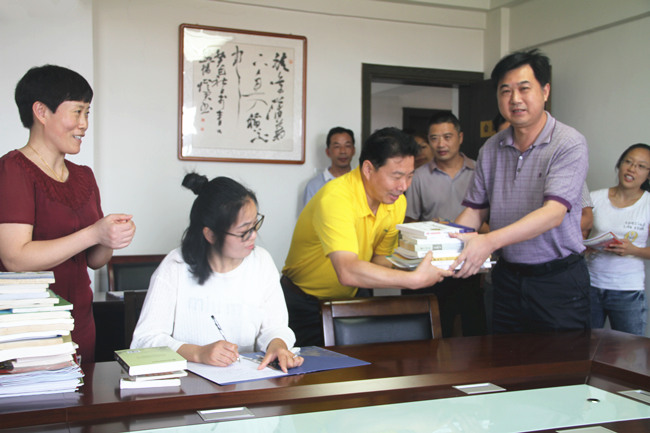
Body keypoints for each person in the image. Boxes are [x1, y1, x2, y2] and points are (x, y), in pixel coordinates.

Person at [0, 65, 136, 363]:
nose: (84, 124)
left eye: (87, 113)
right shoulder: (13, 169)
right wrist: (93, 232)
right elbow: (15, 258)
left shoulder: (83, 176)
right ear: (41, 111)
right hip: (29, 324)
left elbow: (94, 261)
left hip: (80, 319)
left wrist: (111, 237)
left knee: (83, 391)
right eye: (77, 112)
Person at [452, 49, 590, 334]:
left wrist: (488, 241)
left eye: (524, 88)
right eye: (505, 91)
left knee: (560, 360)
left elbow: (553, 214)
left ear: (545, 91)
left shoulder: (569, 143)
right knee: (505, 358)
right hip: (507, 279)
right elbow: (475, 211)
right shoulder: (491, 148)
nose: (515, 99)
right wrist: (442, 243)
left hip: (557, 280)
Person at [282, 127, 452, 346]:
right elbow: (347, 271)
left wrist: (424, 262)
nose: (403, 186)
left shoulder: (396, 202)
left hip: (349, 298)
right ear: (369, 169)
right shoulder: (336, 198)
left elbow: (380, 260)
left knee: (360, 364)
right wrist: (413, 280)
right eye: (396, 176)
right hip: (304, 302)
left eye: (410, 176)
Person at [131, 173, 302, 372]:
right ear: (210, 234)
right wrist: (198, 353)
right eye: (244, 231)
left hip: (247, 381)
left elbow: (275, 327)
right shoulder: (176, 265)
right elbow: (145, 340)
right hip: (187, 382)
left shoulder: (261, 261)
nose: (253, 235)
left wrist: (277, 345)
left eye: (255, 225)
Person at [404, 112, 485, 337]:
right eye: (434, 138)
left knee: (474, 330)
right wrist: (431, 228)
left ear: (460, 137)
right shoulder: (418, 176)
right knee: (438, 330)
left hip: (472, 262)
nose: (441, 144)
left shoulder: (479, 172)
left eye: (447, 137)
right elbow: (409, 221)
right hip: (434, 265)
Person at [587, 144, 650, 336]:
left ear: (648, 174)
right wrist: (587, 247)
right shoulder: (595, 198)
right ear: (619, 165)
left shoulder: (647, 204)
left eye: (641, 166)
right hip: (590, 285)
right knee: (585, 345)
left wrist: (633, 250)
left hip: (628, 290)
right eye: (628, 162)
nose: (632, 169)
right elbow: (576, 237)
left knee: (630, 349)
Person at [302, 127, 355, 207]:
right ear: (328, 152)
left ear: (353, 150)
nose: (343, 151)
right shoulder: (314, 186)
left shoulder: (363, 181)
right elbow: (309, 215)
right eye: (337, 146)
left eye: (347, 146)